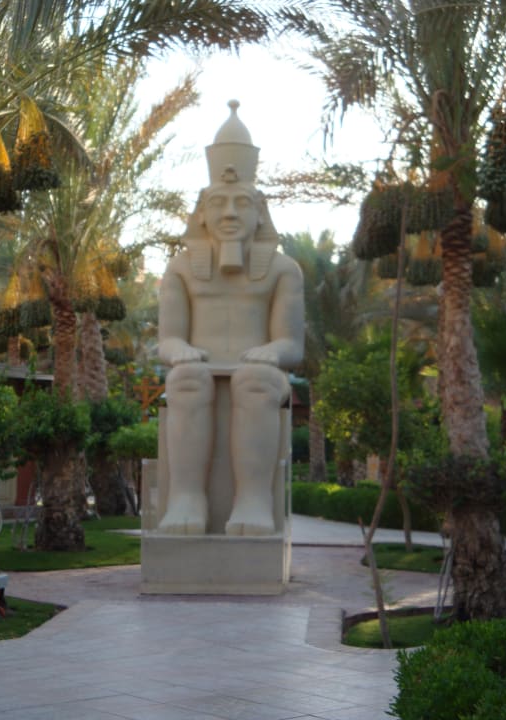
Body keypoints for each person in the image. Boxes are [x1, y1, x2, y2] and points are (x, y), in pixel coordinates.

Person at [157, 101, 304, 536]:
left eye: (242, 204)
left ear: (260, 214)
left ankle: (253, 499)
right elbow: (168, 340)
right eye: (218, 204)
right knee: (186, 379)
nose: (229, 214)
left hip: (259, 373)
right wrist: (180, 351)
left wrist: (270, 353)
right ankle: (186, 497)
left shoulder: (282, 269)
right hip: (200, 368)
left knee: (254, 380)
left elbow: (291, 345)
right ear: (201, 213)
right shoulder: (181, 268)